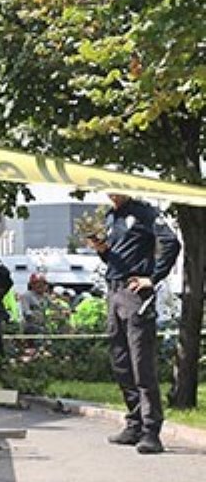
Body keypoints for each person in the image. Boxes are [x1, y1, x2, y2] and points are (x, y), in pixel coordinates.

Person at [88, 193, 181, 455]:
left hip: (135, 294)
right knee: (120, 362)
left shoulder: (145, 212)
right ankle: (135, 422)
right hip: (114, 291)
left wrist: (153, 277)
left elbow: (171, 242)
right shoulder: (111, 216)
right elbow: (117, 259)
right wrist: (104, 252)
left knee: (142, 363)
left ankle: (152, 431)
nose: (112, 191)